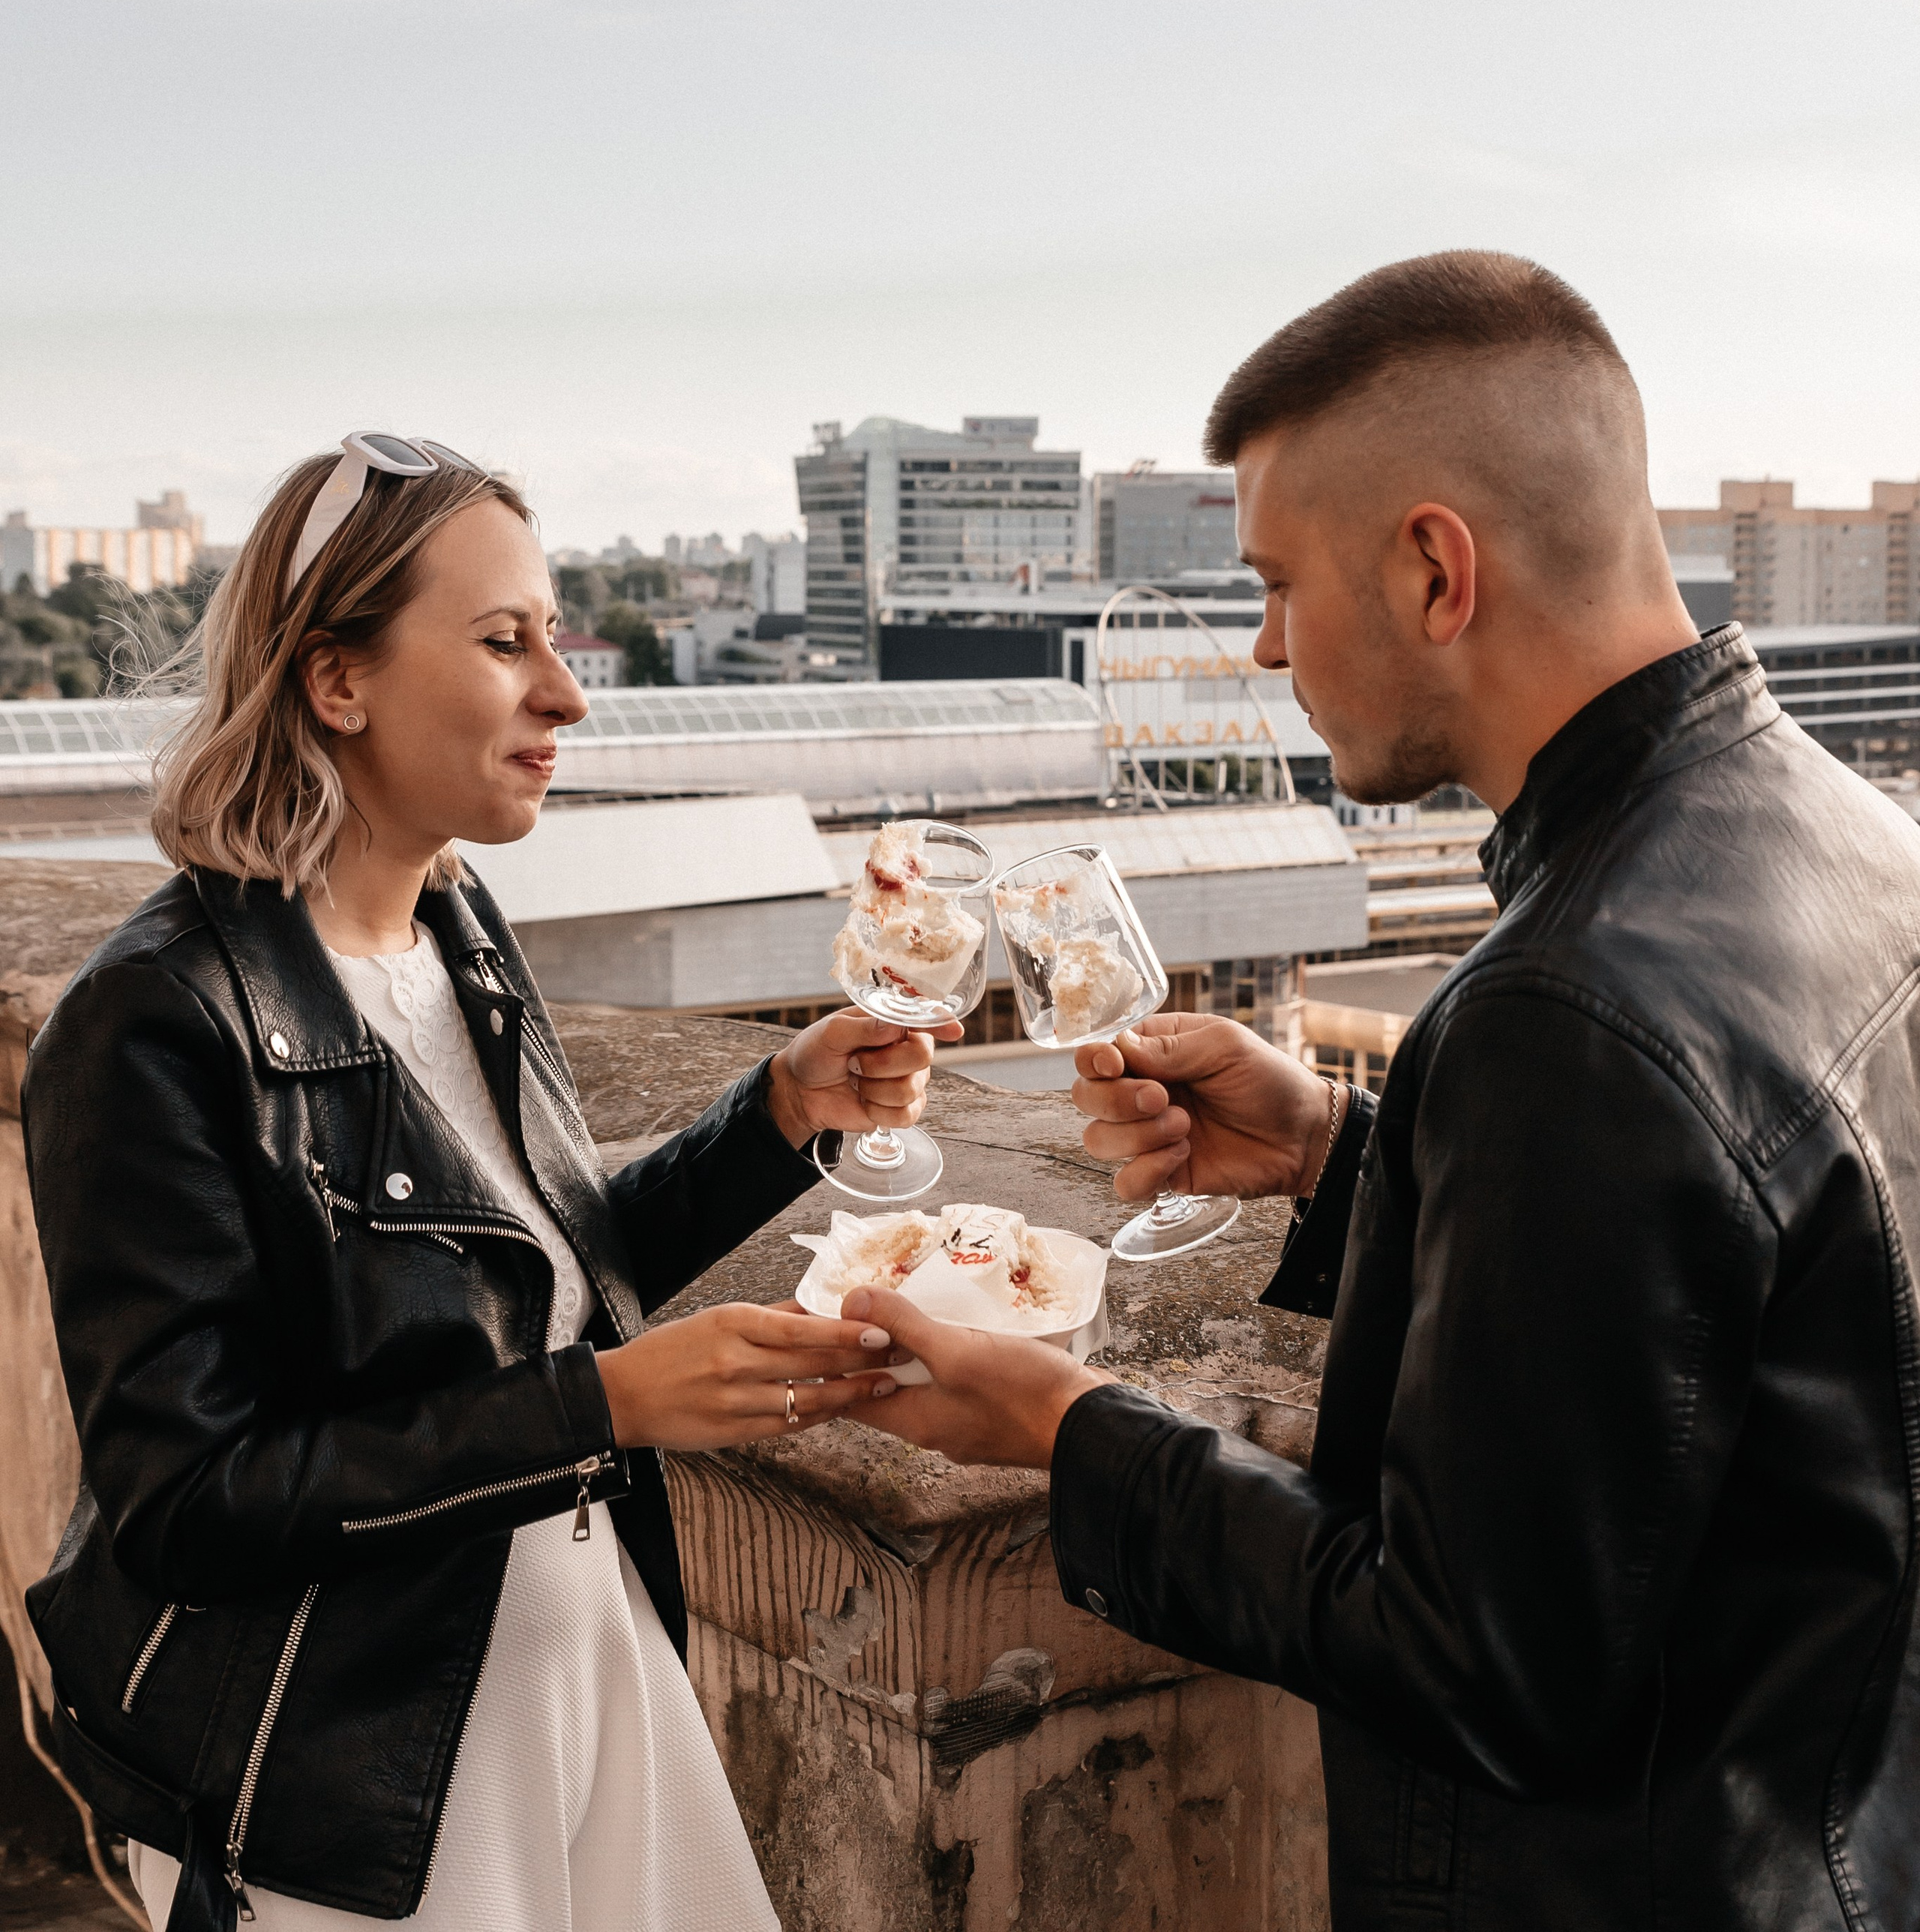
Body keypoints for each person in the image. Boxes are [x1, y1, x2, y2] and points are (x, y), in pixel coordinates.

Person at [842, 252, 1920, 1931]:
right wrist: (1355, 1160)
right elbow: (1713, 1363)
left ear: (1432, 568)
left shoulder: (1569, 1008)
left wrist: (1066, 1435)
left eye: (1276, 580)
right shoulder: (1847, 836)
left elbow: (1476, 1659)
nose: (1266, 643)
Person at [23, 437, 927, 1932]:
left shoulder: (458, 929)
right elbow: (186, 1502)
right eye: (507, 642)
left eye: (555, 637)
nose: (566, 692)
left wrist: (777, 1118)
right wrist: (608, 1407)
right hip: (358, 1771)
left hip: (579, 1662)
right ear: (338, 680)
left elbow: (530, 1281)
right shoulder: (150, 1023)